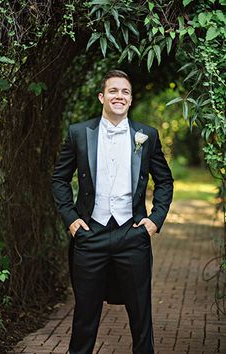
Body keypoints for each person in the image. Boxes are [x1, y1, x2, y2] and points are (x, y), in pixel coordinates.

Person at [52, 69, 174, 354]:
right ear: (102, 97)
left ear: (130, 100)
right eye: (113, 91)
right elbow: (59, 179)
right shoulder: (79, 133)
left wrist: (155, 220)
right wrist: (71, 219)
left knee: (141, 315)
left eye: (125, 92)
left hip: (132, 234)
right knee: (84, 315)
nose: (119, 96)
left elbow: (165, 181)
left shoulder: (148, 136)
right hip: (89, 235)